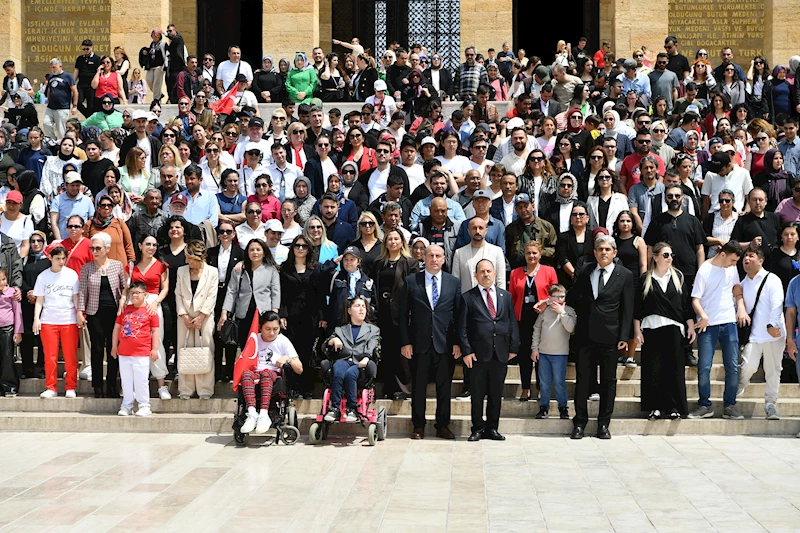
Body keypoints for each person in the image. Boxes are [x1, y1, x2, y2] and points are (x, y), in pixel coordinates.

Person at [567, 235, 634, 439]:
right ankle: (579, 423)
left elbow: (628, 308)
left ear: (614, 253)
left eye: (607, 249)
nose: (603, 252)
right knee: (583, 380)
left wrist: (624, 335)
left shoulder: (625, 274)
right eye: (600, 249)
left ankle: (603, 424)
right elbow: (572, 296)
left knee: (608, 381)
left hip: (611, 337)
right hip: (585, 335)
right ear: (594, 252)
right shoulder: (586, 271)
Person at [398, 244, 461, 439]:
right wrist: (405, 342)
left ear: (443, 259)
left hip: (445, 344)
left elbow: (459, 315)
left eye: (438, 256)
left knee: (444, 387)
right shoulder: (411, 281)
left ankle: (442, 425)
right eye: (430, 255)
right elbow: (402, 315)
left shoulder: (453, 283)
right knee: (418, 387)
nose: (434, 259)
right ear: (424, 258)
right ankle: (418, 425)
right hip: (419, 343)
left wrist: (458, 342)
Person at [458, 259, 519, 441]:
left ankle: (492, 428)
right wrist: (467, 351)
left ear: (494, 274)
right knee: (477, 394)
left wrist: (513, 347)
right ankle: (477, 428)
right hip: (477, 354)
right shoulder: (468, 297)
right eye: (482, 271)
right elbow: (462, 328)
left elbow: (512, 323)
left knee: (495, 393)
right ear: (475, 276)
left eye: (489, 271)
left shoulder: (505, 296)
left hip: (500, 353)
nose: (485, 274)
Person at [634, 242, 695, 419]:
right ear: (656, 257)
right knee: (653, 369)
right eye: (666, 255)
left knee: (674, 369)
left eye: (671, 255)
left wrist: (690, 325)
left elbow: (685, 305)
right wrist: (637, 330)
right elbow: (638, 307)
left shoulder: (679, 277)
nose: (669, 258)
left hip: (674, 329)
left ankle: (675, 407)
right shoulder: (645, 278)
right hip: (651, 328)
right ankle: (655, 407)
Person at [689, 240, 746, 420]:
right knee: (704, 367)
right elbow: (695, 299)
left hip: (729, 322)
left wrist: (741, 306)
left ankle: (730, 405)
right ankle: (704, 405)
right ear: (723, 254)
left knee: (732, 367)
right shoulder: (704, 270)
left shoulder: (732, 269)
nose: (734, 264)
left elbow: (736, 288)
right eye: (733, 260)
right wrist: (703, 315)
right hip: (708, 325)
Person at [235, 311, 303, 435]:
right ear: (261, 327)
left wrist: (288, 358)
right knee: (245, 375)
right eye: (268, 329)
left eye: (275, 329)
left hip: (272, 374)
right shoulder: (254, 339)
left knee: (266, 374)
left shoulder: (283, 341)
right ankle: (252, 414)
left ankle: (264, 414)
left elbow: (299, 369)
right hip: (255, 373)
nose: (272, 333)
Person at [76, 231, 126, 399]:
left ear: (107, 248)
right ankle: (97, 386)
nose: (94, 251)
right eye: (93, 248)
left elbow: (125, 288)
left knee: (114, 350)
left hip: (114, 314)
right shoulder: (87, 268)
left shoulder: (117, 265)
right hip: (94, 313)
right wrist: (80, 312)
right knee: (97, 350)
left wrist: (123, 306)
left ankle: (112, 385)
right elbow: (82, 292)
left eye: (98, 248)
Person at [737, 245, 785, 420]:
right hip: (754, 335)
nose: (746, 259)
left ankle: (770, 404)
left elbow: (777, 303)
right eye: (745, 256)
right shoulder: (743, 283)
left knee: (773, 370)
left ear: (761, 260)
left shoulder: (772, 279)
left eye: (751, 256)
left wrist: (772, 324)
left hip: (775, 333)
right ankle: (736, 392)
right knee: (748, 365)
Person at [372, 229, 418, 400]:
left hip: (402, 313)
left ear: (402, 242)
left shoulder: (410, 263)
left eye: (396, 239)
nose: (392, 242)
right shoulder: (379, 263)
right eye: (389, 239)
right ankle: (388, 387)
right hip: (383, 313)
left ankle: (403, 389)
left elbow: (413, 290)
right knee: (387, 352)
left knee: (402, 353)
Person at [323, 295, 381, 423]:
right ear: (349, 311)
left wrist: (366, 358)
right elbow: (324, 346)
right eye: (357, 306)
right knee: (338, 370)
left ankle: (352, 409)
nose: (361, 309)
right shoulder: (340, 330)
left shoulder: (373, 330)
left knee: (350, 374)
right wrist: (333, 340)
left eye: (363, 307)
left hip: (361, 363)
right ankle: (335, 409)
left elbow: (371, 347)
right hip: (344, 360)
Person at [33, 245, 80, 398]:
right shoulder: (43, 276)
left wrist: (79, 314)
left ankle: (71, 386)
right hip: (48, 320)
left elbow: (75, 298)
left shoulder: (72, 275)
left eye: (63, 258)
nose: (61, 261)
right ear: (50, 258)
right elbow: (39, 299)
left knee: (70, 356)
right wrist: (36, 319)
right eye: (57, 258)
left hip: (69, 320)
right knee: (50, 356)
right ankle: (51, 387)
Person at [175, 240, 218, 400]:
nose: (187, 261)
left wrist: (201, 316)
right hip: (184, 317)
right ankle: (185, 389)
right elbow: (178, 294)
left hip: (204, 318)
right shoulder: (181, 271)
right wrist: (184, 315)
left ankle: (205, 389)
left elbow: (211, 296)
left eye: (189, 258)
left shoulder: (212, 272)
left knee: (205, 350)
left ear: (198, 258)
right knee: (183, 349)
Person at [110, 281, 159, 417]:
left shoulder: (150, 311)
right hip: (124, 352)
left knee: (141, 380)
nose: (134, 296)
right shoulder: (125, 309)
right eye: (131, 293)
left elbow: (155, 331)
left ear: (145, 294)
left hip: (142, 352)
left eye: (137, 293)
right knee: (126, 381)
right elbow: (117, 328)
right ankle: (127, 405)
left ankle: (144, 405)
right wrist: (114, 346)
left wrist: (154, 349)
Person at [221, 239, 280, 348]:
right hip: (243, 313)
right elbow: (231, 291)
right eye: (251, 250)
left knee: (263, 346)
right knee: (245, 345)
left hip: (263, 313)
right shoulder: (239, 269)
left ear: (264, 252)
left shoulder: (271, 270)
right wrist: (225, 312)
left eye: (258, 249)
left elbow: (275, 293)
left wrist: (274, 314)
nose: (255, 252)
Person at [531, 283, 576, 419]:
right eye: (555, 296)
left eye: (562, 296)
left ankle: (563, 408)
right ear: (549, 298)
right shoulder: (544, 311)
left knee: (559, 382)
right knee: (544, 382)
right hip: (544, 352)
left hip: (560, 354)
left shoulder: (569, 311)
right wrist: (535, 348)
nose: (559, 299)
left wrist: (561, 313)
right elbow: (537, 329)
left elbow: (571, 328)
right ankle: (544, 407)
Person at [452, 217, 506, 294]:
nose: (477, 231)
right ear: (468, 231)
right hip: (467, 302)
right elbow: (456, 281)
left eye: (481, 228)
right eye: (474, 228)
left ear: (486, 231)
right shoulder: (459, 253)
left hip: (490, 301)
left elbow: (501, 280)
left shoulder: (497, 251)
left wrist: (501, 301)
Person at [20, 231, 48, 379]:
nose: (36, 244)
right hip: (27, 302)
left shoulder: (48, 261)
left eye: (39, 241)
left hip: (43, 303)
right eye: (33, 241)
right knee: (27, 337)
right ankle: (27, 368)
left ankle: (43, 366)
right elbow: (20, 277)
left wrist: (38, 294)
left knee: (43, 336)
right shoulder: (24, 260)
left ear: (44, 243)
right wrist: (28, 292)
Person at [505, 192, 557, 270]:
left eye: (526, 206)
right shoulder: (510, 229)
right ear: (516, 210)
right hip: (519, 271)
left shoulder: (546, 227)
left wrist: (537, 252)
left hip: (541, 270)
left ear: (532, 206)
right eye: (520, 207)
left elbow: (554, 249)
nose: (523, 210)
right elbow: (508, 252)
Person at [85, 195, 135, 264]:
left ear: (112, 208)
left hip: (119, 269)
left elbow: (128, 245)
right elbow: (85, 247)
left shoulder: (119, 223)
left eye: (109, 205)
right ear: (98, 208)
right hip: (97, 268)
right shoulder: (90, 224)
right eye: (103, 205)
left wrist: (131, 263)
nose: (106, 208)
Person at [43, 59, 78, 140]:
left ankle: (63, 145)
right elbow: (49, 90)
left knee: (61, 130)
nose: (53, 69)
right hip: (50, 107)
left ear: (60, 66)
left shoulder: (68, 76)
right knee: (46, 123)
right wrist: (48, 100)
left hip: (62, 107)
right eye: (51, 68)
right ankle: (52, 141)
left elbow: (75, 91)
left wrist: (74, 106)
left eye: (54, 67)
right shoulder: (51, 76)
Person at [0, 268, 21, 397]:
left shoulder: (12, 292)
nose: (1, 282)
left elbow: (17, 313)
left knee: (7, 358)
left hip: (7, 328)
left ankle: (9, 386)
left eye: (3, 279)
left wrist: (18, 331)